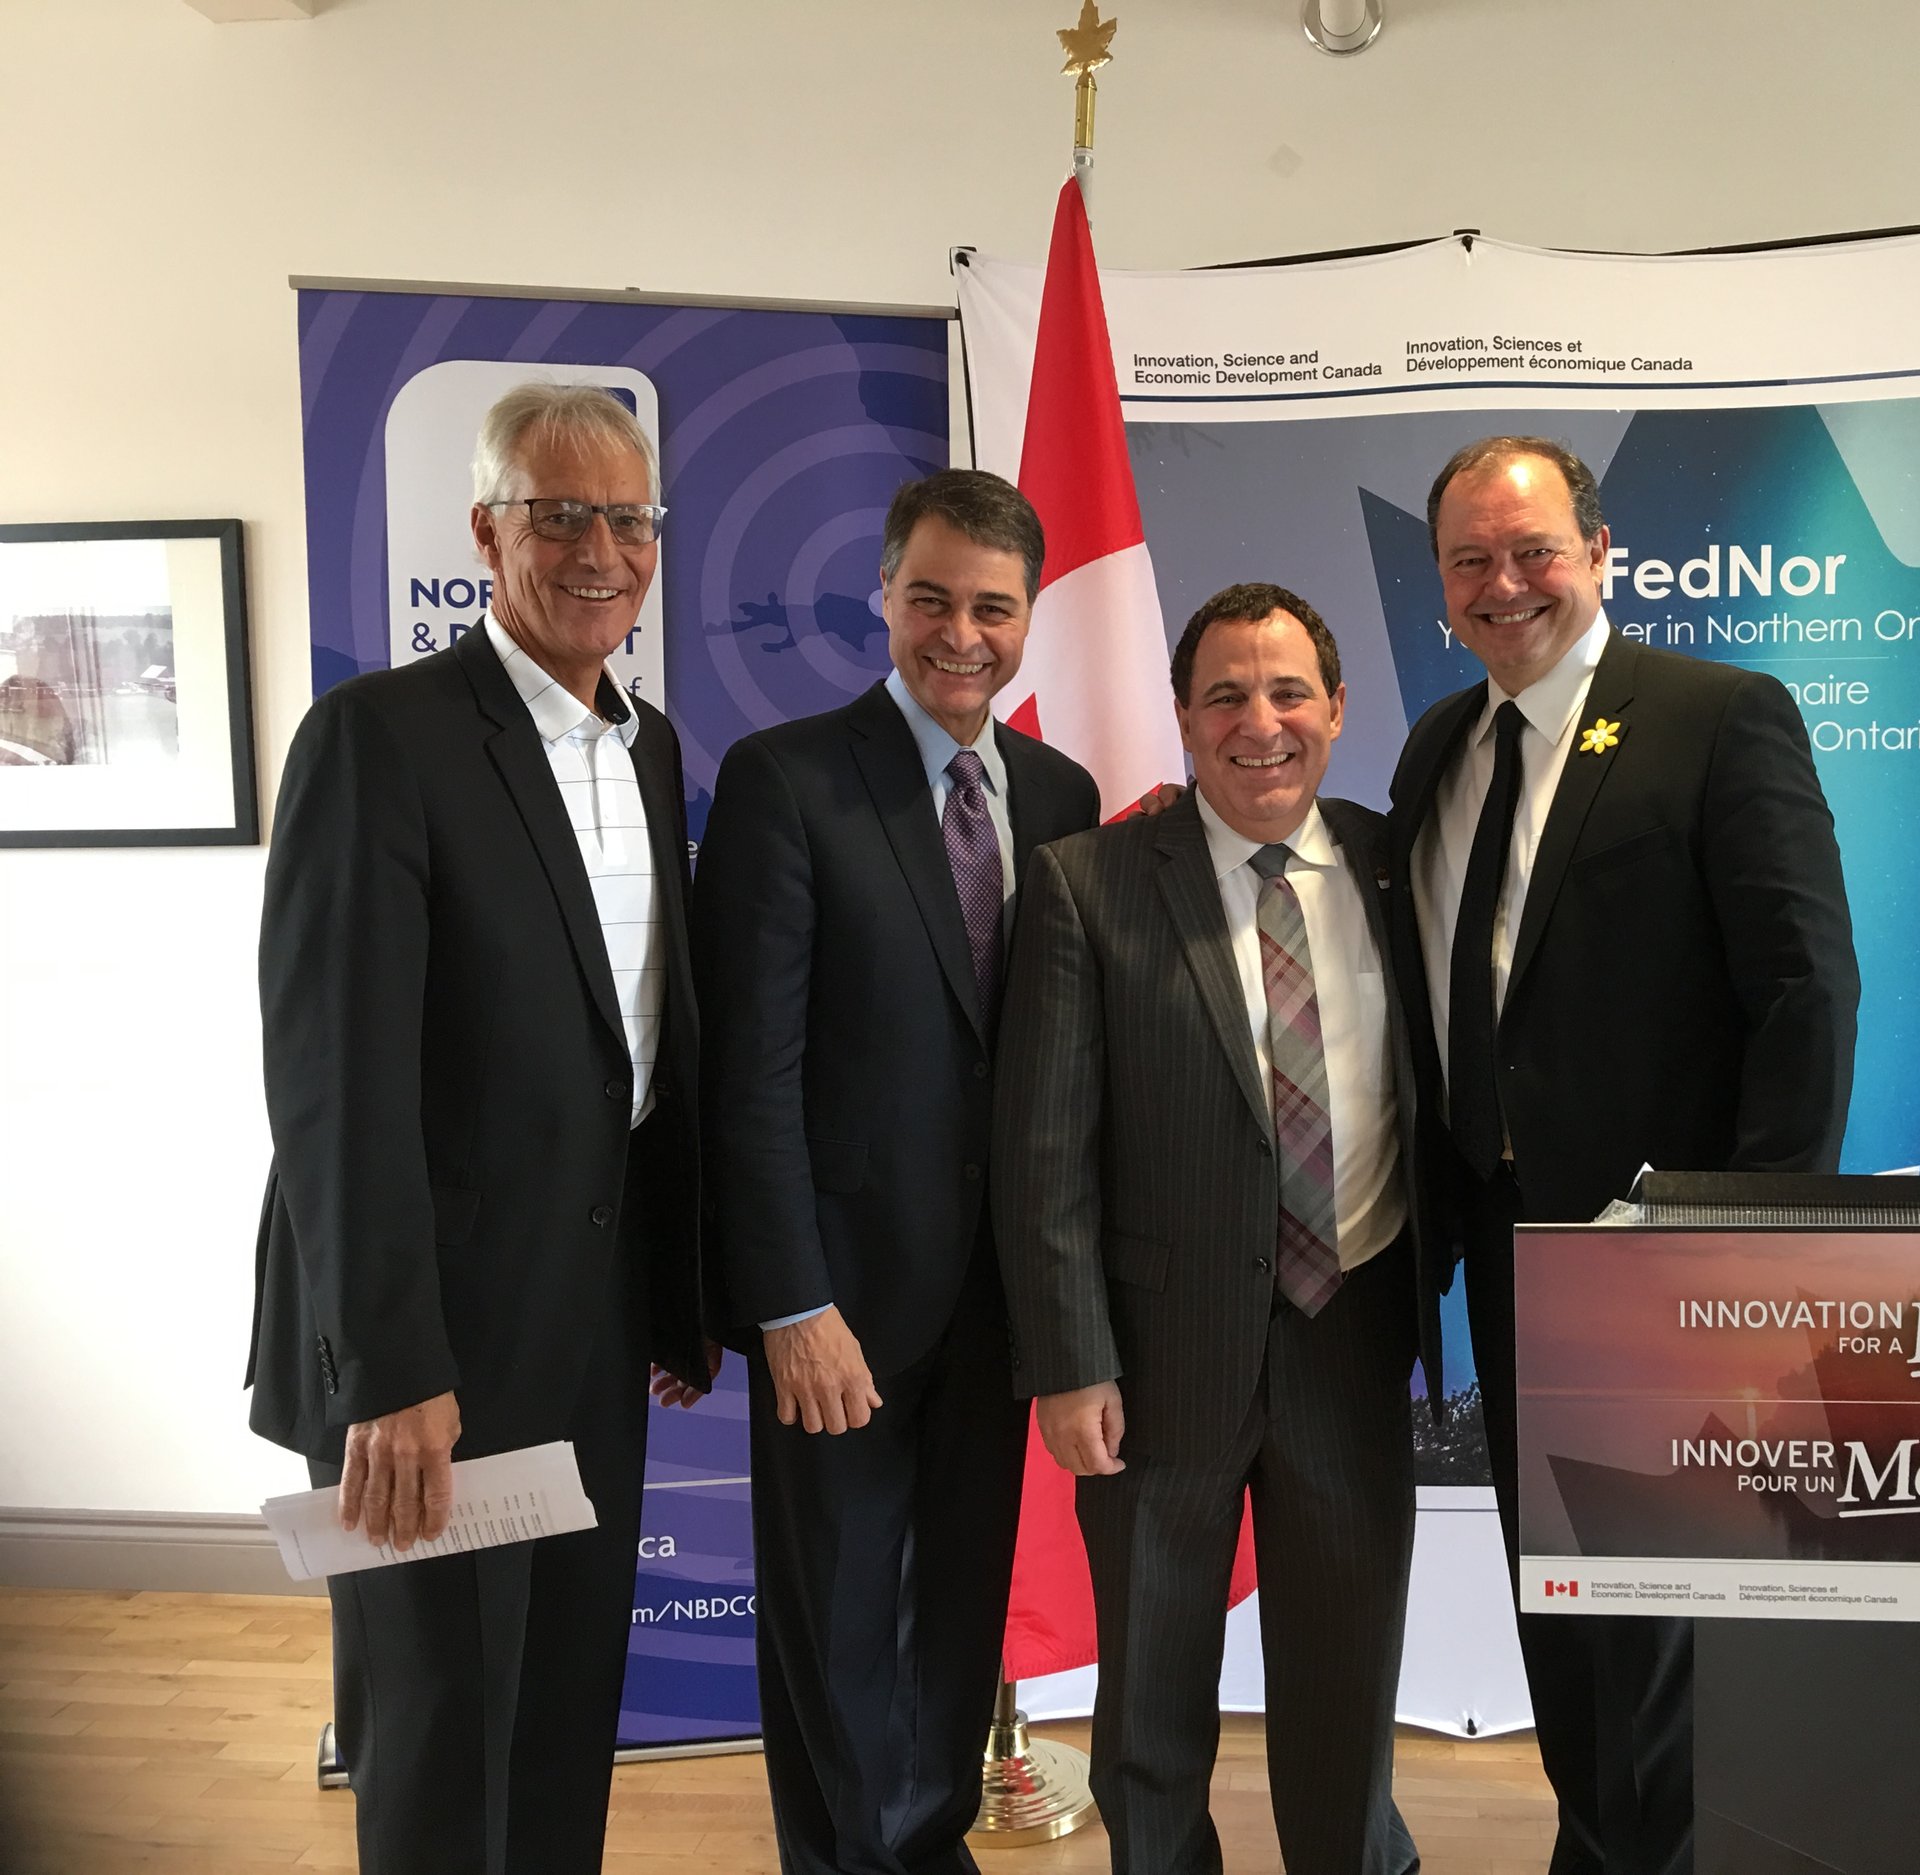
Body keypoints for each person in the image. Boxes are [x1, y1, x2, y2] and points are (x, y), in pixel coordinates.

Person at [249, 380, 711, 1873]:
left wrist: (673, 1294)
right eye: (559, 514)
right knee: (444, 1738)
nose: (599, 549)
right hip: (430, 1356)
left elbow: (633, 1047)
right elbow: (336, 1080)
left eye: (627, 518)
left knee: (566, 1715)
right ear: (485, 532)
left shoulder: (649, 747)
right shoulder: (379, 738)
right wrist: (392, 1369)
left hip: (588, 1328)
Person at [1386, 436, 1859, 1875]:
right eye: (1470, 559)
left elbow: (1807, 990)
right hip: (1511, 1250)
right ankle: (1596, 1844)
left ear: (1600, 554)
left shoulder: (1718, 716)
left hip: (1670, 1268)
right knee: (1565, 1594)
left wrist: (1747, 1249)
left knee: (1661, 1612)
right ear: (1443, 588)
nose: (1503, 582)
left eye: (1531, 549)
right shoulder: (1438, 749)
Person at [694, 469, 1100, 1874]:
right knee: (839, 1627)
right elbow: (748, 1076)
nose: (961, 633)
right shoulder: (787, 780)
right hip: (843, 1312)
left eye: (993, 606)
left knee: (952, 1625)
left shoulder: (1059, 793)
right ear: (884, 595)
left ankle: (927, 1849)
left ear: (1030, 616)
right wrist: (791, 1303)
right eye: (931, 598)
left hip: (997, 1313)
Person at [996, 583, 1434, 1875]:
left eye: (1290, 691)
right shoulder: (1088, 884)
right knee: (1151, 1706)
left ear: (1338, 710)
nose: (1262, 722)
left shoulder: (1394, 864)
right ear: (1184, 719)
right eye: (1228, 696)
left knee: (1346, 1694)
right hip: (1151, 1364)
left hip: (1350, 1342)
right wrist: (1071, 1359)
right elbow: (1042, 1148)